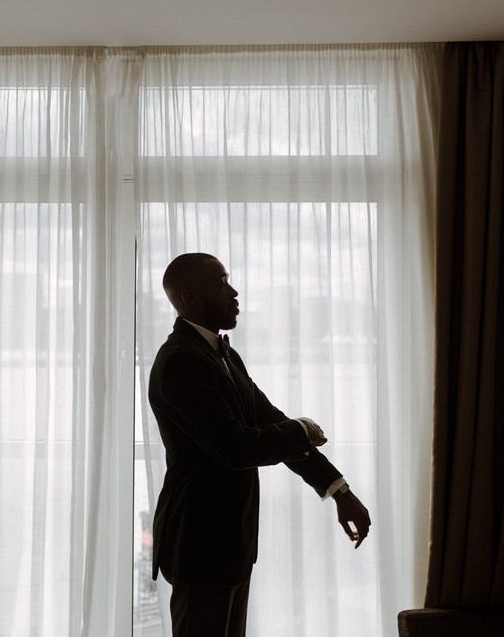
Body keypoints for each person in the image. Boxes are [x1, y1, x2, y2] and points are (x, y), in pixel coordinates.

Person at [148, 252, 371, 637]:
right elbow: (236, 447)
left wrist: (338, 489)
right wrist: (301, 430)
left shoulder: (223, 354)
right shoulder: (181, 361)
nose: (234, 292)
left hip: (228, 544)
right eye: (221, 282)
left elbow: (270, 422)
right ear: (187, 297)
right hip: (200, 545)